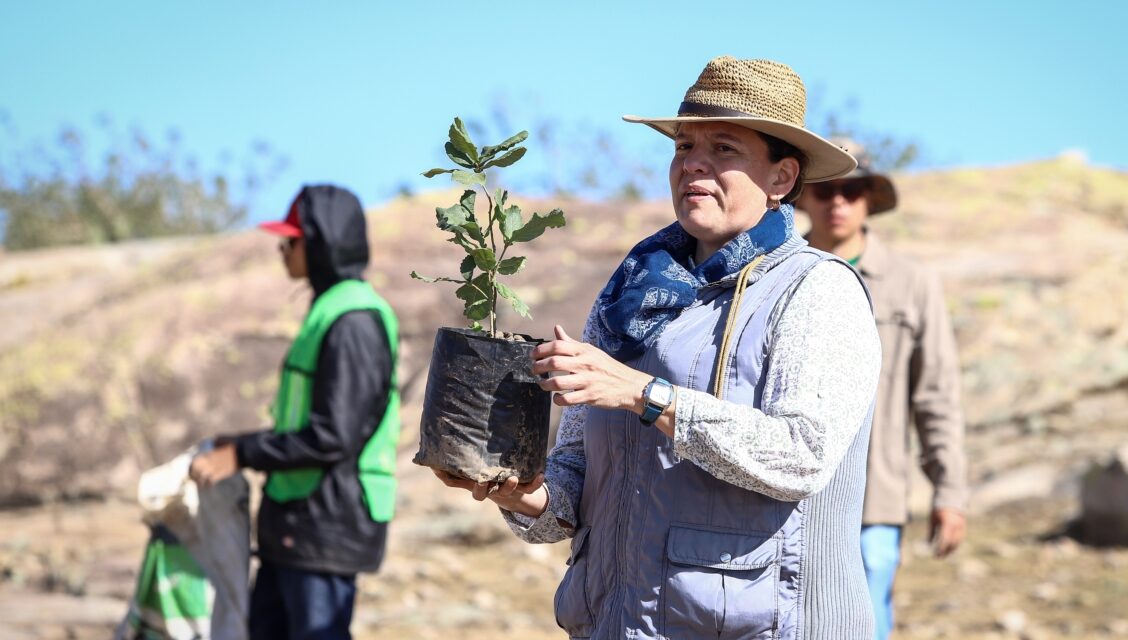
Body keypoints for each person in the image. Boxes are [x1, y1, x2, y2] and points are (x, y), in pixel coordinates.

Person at [433, 56, 882, 638]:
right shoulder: (629, 293)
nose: (693, 162)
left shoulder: (817, 288)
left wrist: (645, 395)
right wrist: (524, 494)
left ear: (782, 178)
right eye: (683, 146)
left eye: (724, 148)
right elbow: (574, 486)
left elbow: (802, 455)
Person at [189, 184, 401, 640]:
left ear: (322, 242)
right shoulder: (328, 311)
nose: (282, 250)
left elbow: (334, 436)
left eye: (292, 240)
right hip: (295, 528)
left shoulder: (354, 321)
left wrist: (244, 454)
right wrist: (238, 443)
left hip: (326, 527)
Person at [798, 143, 968, 640]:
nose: (838, 202)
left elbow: (936, 395)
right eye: (827, 190)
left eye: (851, 191)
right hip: (784, 491)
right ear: (804, 196)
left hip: (876, 498)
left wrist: (950, 491)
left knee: (864, 624)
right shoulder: (775, 273)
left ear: (869, 199)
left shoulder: (912, 284)